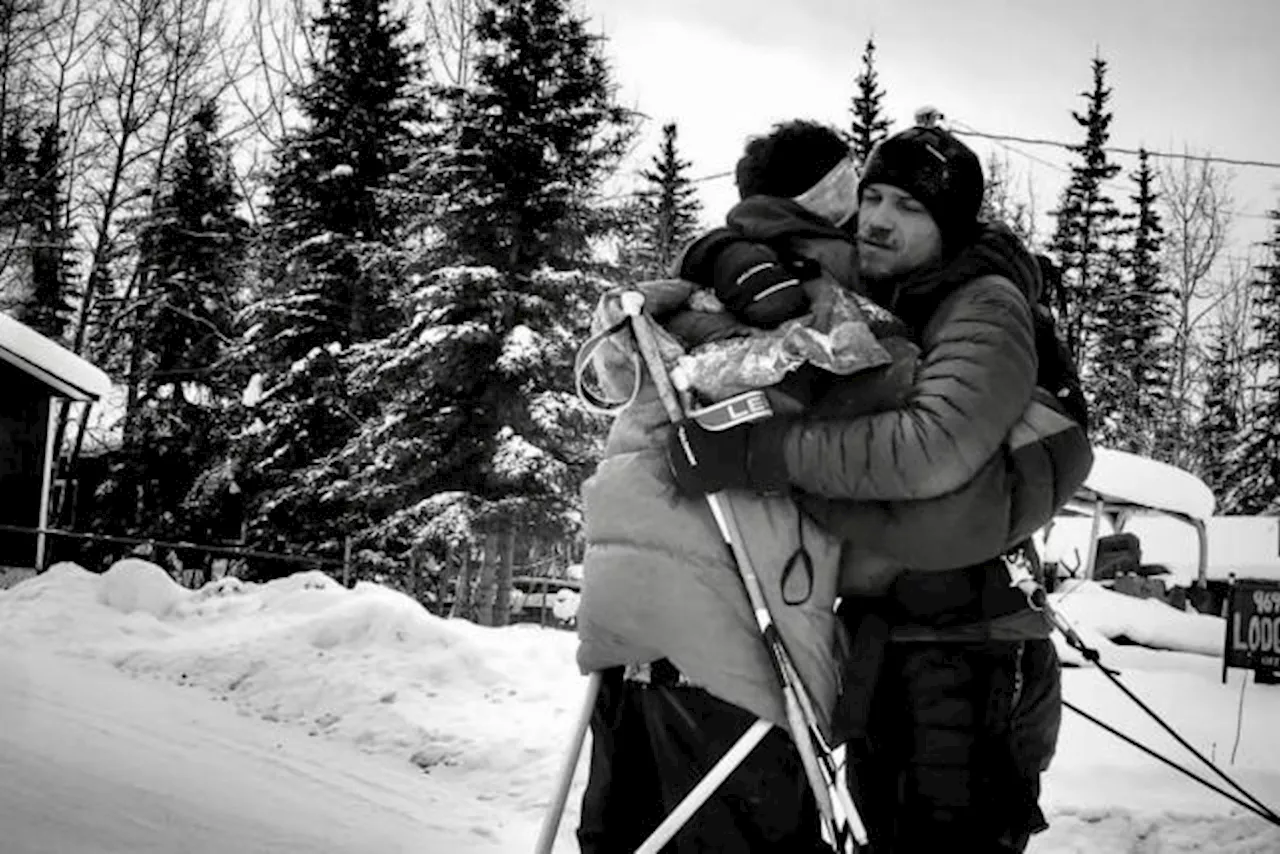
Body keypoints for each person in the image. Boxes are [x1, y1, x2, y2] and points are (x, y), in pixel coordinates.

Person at [665, 118, 1077, 852]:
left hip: (972, 652)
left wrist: (769, 452)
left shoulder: (983, 302)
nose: (880, 219)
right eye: (875, 197)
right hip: (893, 642)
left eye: (910, 208)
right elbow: (782, 231)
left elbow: (931, 449)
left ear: (949, 225)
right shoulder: (900, 297)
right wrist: (718, 249)